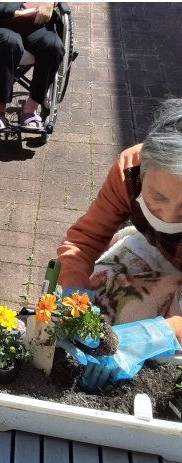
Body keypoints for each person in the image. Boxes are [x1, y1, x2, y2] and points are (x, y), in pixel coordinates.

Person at [56, 99, 182, 389]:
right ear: (144, 169)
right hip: (156, 251)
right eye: (158, 196)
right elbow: (85, 239)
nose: (168, 215)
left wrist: (158, 334)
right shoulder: (129, 169)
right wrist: (74, 290)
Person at [0, 2, 65, 130]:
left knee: (53, 46)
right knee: (9, 42)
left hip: (38, 26)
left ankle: (32, 107)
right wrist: (19, 14)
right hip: (3, 24)